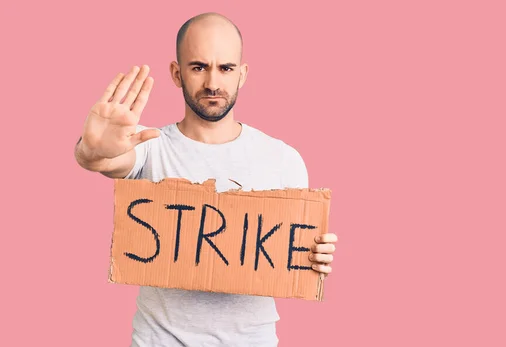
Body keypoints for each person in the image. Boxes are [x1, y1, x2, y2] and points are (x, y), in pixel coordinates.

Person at [74, 12, 338, 347]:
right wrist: (93, 150)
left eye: (225, 68)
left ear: (242, 75)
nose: (213, 82)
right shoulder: (147, 145)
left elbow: (291, 255)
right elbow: (103, 160)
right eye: (198, 67)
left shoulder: (284, 160)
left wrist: (315, 257)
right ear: (176, 73)